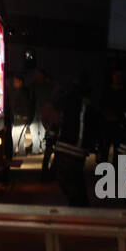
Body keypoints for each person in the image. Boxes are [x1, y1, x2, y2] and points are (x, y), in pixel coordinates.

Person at [48, 73, 94, 207]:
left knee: (65, 177)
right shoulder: (87, 105)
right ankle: (80, 204)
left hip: (66, 145)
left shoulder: (68, 100)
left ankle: (77, 204)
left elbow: (56, 108)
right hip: (78, 147)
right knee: (75, 177)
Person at [31, 69, 53, 168]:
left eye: (38, 75)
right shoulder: (35, 86)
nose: (37, 77)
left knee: (43, 130)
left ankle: (43, 147)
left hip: (44, 111)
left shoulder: (46, 86)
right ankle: (36, 148)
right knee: (34, 129)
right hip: (36, 111)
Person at [9, 74, 35, 155]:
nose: (14, 83)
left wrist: (24, 115)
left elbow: (25, 105)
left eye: (15, 81)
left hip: (20, 117)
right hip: (20, 117)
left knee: (15, 136)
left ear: (20, 82)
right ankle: (21, 152)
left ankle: (13, 152)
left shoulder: (22, 92)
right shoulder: (23, 91)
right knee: (19, 136)